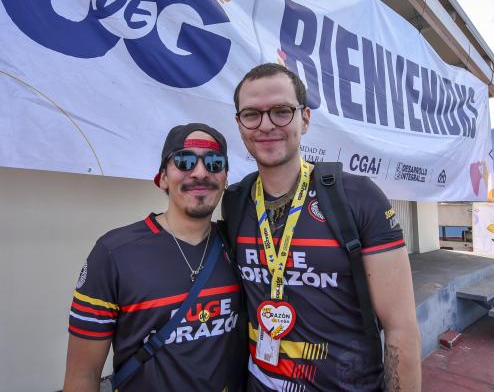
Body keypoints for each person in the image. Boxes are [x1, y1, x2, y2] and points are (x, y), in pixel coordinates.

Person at [222, 64, 421, 391]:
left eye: (281, 111)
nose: (266, 125)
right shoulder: (235, 201)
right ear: (239, 125)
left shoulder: (357, 197)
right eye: (252, 114)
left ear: (305, 119)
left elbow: (400, 327)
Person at [63, 123, 243, 391]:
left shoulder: (239, 247)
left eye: (214, 163)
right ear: (163, 178)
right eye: (184, 161)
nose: (200, 172)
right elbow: (82, 375)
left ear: (225, 178)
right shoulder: (114, 253)